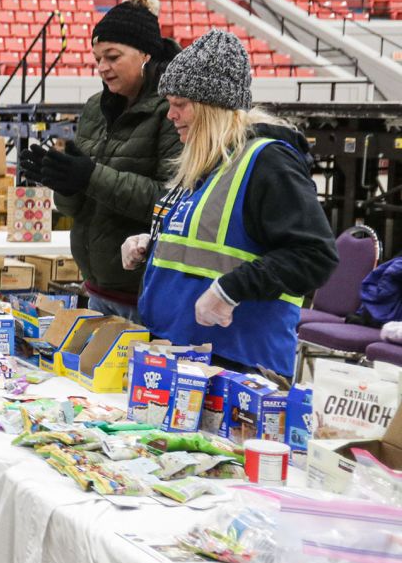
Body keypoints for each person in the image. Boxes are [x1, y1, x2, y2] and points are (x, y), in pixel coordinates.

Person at [122, 29, 338, 379]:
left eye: (180, 105)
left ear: (211, 107)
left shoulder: (268, 163)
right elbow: (210, 244)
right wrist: (151, 244)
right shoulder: (207, 163)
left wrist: (231, 290)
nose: (170, 116)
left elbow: (315, 256)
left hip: (238, 366)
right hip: (185, 355)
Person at [19, 0, 181, 319]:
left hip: (143, 296)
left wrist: (90, 176)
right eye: (97, 59)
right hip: (96, 289)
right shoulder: (96, 107)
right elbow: (79, 207)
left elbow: (170, 200)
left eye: (112, 56)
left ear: (145, 54)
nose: (102, 67)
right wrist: (64, 186)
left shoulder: (173, 111)